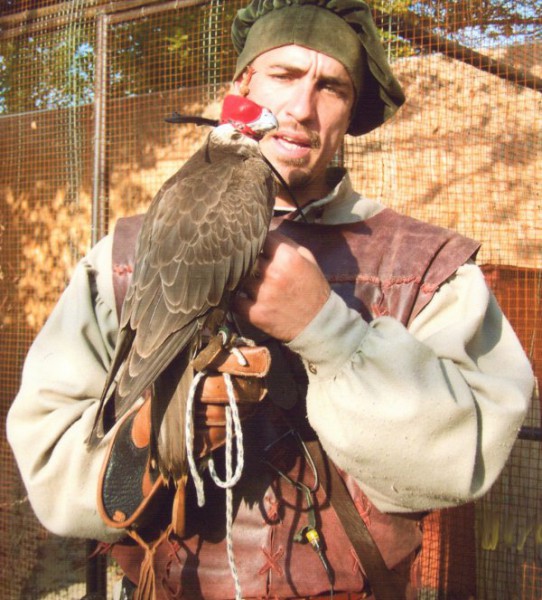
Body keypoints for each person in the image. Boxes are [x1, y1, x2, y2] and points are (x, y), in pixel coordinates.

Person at [7, 1, 534, 599]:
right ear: (242, 88)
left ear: (350, 113)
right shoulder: (118, 257)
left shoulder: (428, 268)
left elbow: (460, 464)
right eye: (284, 75)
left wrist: (329, 330)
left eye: (331, 87)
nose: (301, 107)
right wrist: (146, 443)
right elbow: (49, 464)